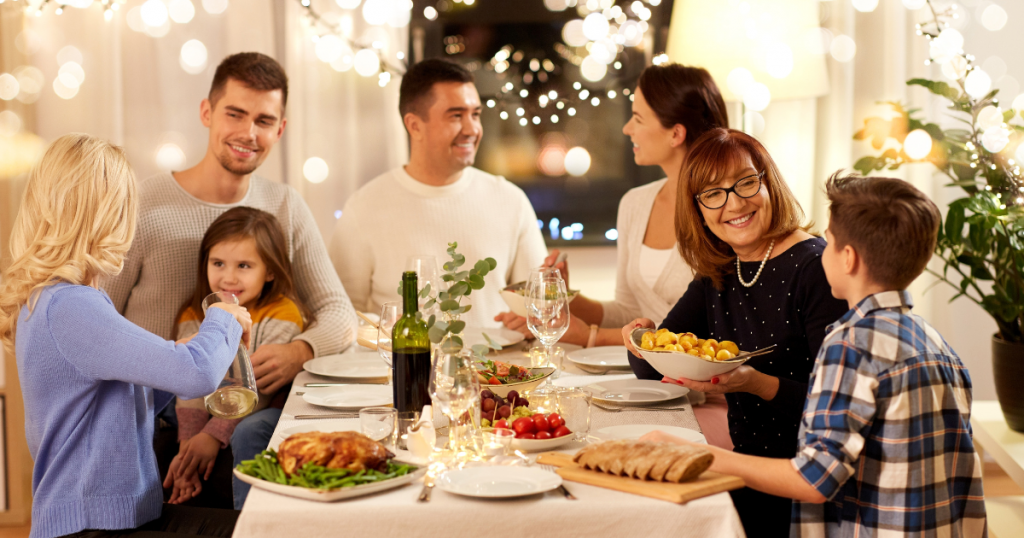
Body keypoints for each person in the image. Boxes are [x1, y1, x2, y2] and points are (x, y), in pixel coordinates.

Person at [641, 173, 988, 537]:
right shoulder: (938, 345)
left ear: (847, 258)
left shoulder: (850, 345)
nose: (820, 247)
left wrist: (695, 453)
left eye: (829, 240)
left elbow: (815, 479)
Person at [103, 53, 356, 509]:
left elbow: (338, 312)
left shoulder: (284, 206)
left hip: (247, 399)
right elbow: (99, 316)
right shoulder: (143, 203)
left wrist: (300, 351)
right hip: (156, 401)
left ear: (280, 129)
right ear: (207, 112)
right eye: (235, 114)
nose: (248, 133)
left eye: (264, 120)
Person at [0, 134, 252, 538]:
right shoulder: (72, 306)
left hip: (110, 519)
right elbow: (198, 375)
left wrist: (173, 359)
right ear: (106, 214)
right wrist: (222, 316)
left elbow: (115, 407)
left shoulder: (55, 300)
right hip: (92, 527)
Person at [620, 128, 850, 537]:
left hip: (807, 485)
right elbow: (654, 372)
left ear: (768, 182)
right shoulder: (722, 271)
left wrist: (757, 384)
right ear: (698, 209)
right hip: (746, 468)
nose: (735, 203)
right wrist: (642, 339)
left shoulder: (814, 268)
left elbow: (838, 412)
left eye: (746, 183)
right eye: (713, 193)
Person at [329, 59, 547, 326]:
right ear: (414, 126)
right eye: (456, 116)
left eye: (475, 114)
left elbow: (538, 306)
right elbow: (343, 316)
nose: (472, 130)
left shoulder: (511, 200)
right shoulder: (363, 208)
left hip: (498, 365)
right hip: (406, 366)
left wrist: (531, 321)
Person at [166, 207, 314, 509]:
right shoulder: (194, 313)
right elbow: (189, 381)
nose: (228, 278)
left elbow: (256, 389)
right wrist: (187, 452)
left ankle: (250, 519)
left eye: (244, 265)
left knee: (251, 429)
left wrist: (212, 436)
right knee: (157, 400)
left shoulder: (281, 313)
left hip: (265, 404)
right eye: (218, 263)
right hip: (211, 400)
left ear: (269, 271)